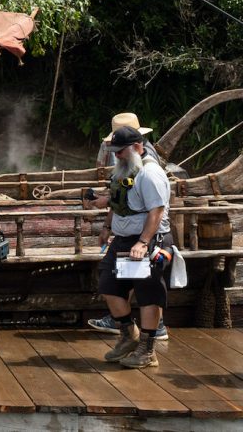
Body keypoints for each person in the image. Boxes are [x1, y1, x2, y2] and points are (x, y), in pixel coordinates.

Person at [86, 111, 170, 341]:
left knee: (147, 291)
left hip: (145, 239)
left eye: (120, 151)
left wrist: (143, 242)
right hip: (124, 238)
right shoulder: (126, 166)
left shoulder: (149, 172)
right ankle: (128, 336)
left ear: (136, 146)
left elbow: (157, 210)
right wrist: (107, 226)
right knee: (109, 284)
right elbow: (119, 198)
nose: (117, 156)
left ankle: (147, 345)